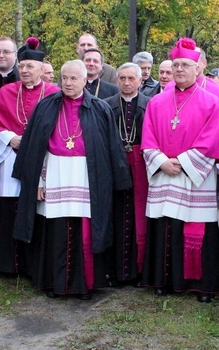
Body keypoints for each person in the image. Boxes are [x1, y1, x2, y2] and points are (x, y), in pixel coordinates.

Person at [11, 60, 131, 298]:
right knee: (55, 231)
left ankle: (83, 284)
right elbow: (33, 148)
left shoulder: (99, 108)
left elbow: (112, 150)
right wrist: (36, 182)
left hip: (88, 178)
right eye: (64, 78)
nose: (67, 82)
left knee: (84, 231)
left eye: (73, 78)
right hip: (54, 174)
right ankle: (56, 284)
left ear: (85, 80)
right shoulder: (46, 106)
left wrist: (120, 182)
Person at [140, 38, 219, 302]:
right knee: (165, 225)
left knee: (196, 228)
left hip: (194, 176)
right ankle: (163, 280)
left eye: (185, 65)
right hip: (164, 173)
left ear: (197, 69)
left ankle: (201, 284)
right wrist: (160, 161)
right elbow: (147, 137)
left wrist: (180, 162)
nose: (180, 69)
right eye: (176, 65)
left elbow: (214, 138)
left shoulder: (211, 100)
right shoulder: (157, 102)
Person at [0, 37, 59, 275]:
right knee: (11, 209)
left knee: (39, 209)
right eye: (22, 66)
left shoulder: (54, 93)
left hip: (43, 159)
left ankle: (34, 264)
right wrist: (11, 139)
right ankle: (10, 264)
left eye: (30, 66)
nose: (25, 70)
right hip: (11, 157)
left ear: (41, 68)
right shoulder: (6, 92)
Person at [105, 63, 150, 284]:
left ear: (140, 81)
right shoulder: (106, 106)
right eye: (122, 78)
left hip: (141, 166)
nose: (126, 82)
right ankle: (115, 271)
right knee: (116, 215)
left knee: (138, 216)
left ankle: (139, 270)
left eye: (131, 78)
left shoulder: (150, 106)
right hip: (115, 165)